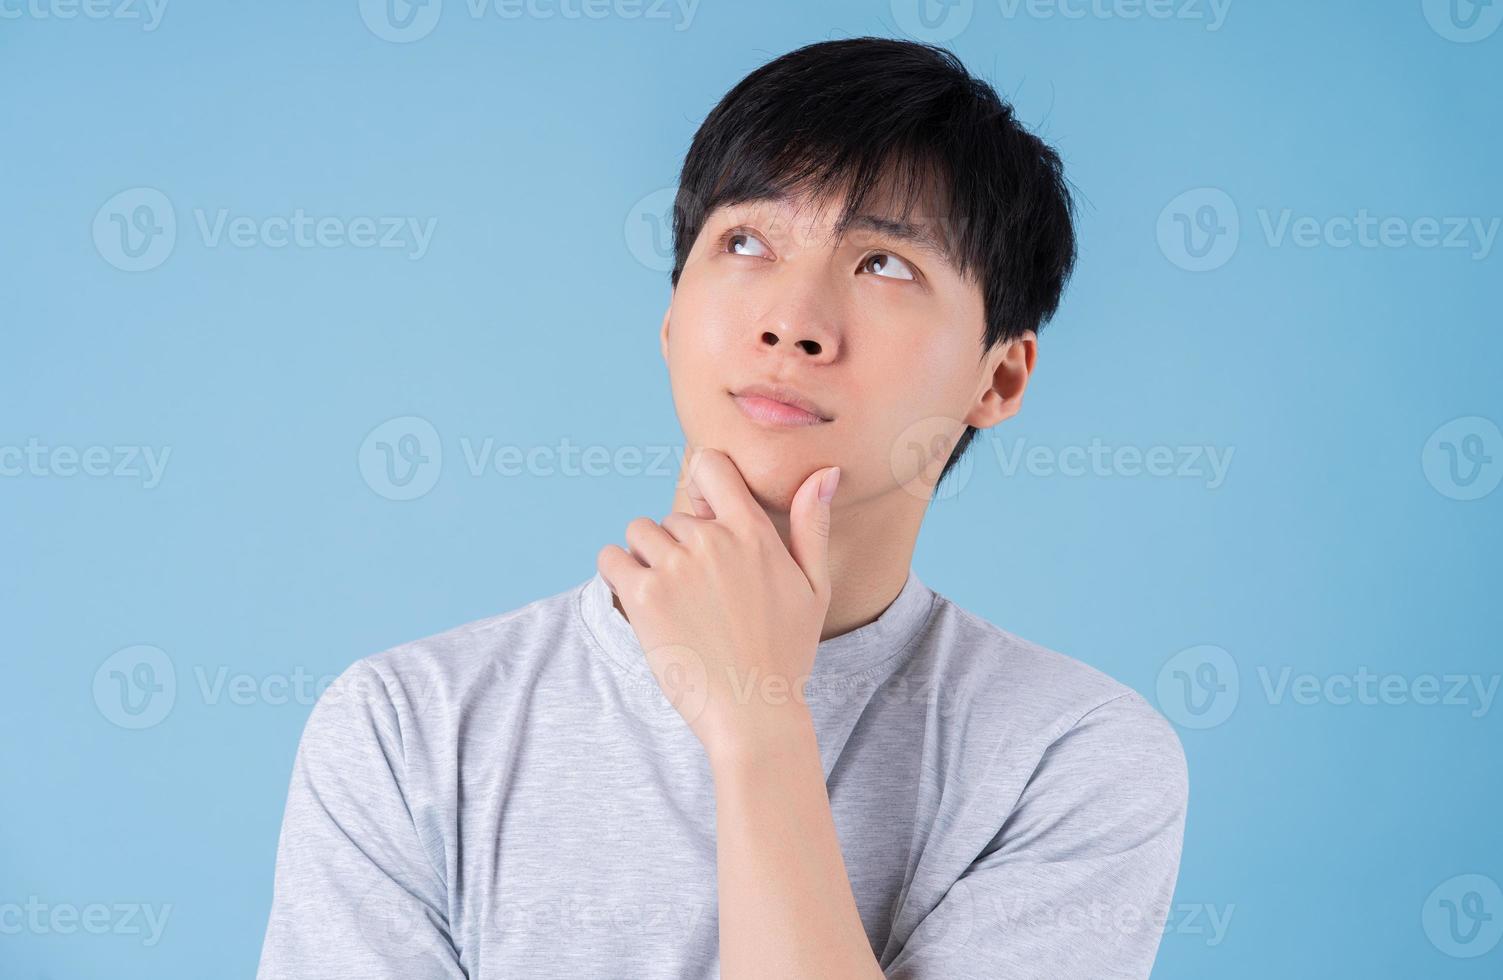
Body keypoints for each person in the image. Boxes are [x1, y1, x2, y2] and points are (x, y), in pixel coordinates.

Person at [255, 36, 1188, 979]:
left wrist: (759, 724)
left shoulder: (1070, 758)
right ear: (671, 317)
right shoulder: (407, 729)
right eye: (745, 242)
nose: (791, 321)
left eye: (886, 265)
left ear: (1000, 375)